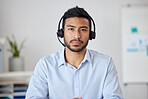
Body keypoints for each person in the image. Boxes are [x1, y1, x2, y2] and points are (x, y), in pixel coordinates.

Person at [26, 6, 123, 99]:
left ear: (91, 34)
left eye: (83, 30)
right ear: (62, 33)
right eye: (71, 29)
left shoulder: (105, 64)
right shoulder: (45, 65)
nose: (77, 36)